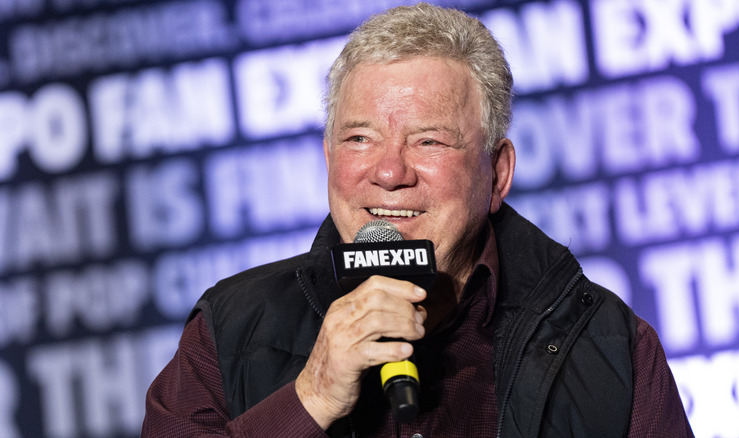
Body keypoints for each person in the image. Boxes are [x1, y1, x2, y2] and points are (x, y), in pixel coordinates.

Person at [142, 3, 694, 437]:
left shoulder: (607, 345)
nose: (388, 172)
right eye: (360, 138)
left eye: (429, 140)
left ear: (498, 173)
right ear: (330, 159)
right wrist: (309, 400)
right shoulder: (229, 330)